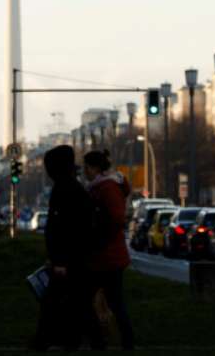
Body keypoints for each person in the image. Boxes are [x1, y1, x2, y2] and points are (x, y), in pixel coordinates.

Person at [34, 145, 97, 351]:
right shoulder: (71, 187)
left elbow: (64, 228)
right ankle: (80, 340)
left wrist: (60, 260)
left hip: (69, 259)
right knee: (76, 302)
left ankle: (52, 340)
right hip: (73, 258)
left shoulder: (65, 189)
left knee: (59, 302)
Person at [83, 150, 135, 351]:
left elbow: (115, 219)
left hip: (107, 255)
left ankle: (103, 341)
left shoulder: (107, 188)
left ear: (95, 168)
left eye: (87, 167)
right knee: (113, 301)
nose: (85, 172)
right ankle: (121, 341)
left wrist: (97, 237)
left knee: (97, 299)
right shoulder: (102, 187)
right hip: (107, 255)